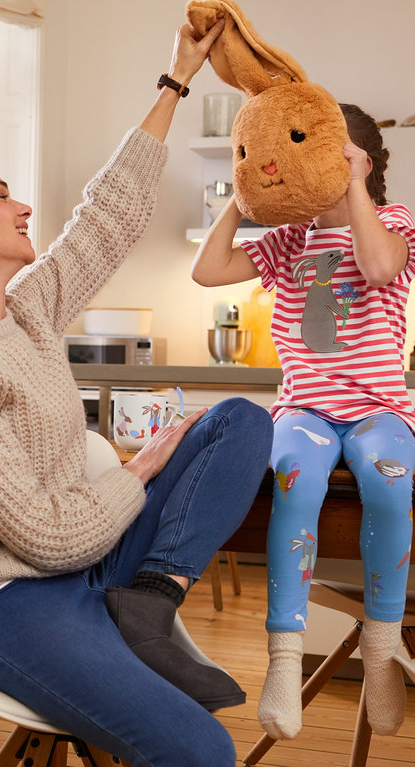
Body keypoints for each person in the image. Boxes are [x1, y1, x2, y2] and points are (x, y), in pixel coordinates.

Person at [0, 19, 274, 767]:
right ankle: (132, 615)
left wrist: (177, 79)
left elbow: (108, 215)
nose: (23, 207)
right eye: (2, 196)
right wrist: (138, 468)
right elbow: (44, 537)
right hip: (2, 602)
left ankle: (148, 600)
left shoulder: (28, 308)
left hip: (93, 569)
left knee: (240, 422)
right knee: (201, 748)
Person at [191, 103, 415, 741]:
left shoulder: (395, 222)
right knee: (296, 483)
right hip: (305, 410)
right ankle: (285, 659)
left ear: (355, 162)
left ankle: (381, 648)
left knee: (390, 486)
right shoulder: (287, 238)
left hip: (378, 411)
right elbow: (207, 270)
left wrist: (353, 185)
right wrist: (242, 197)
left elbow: (379, 268)